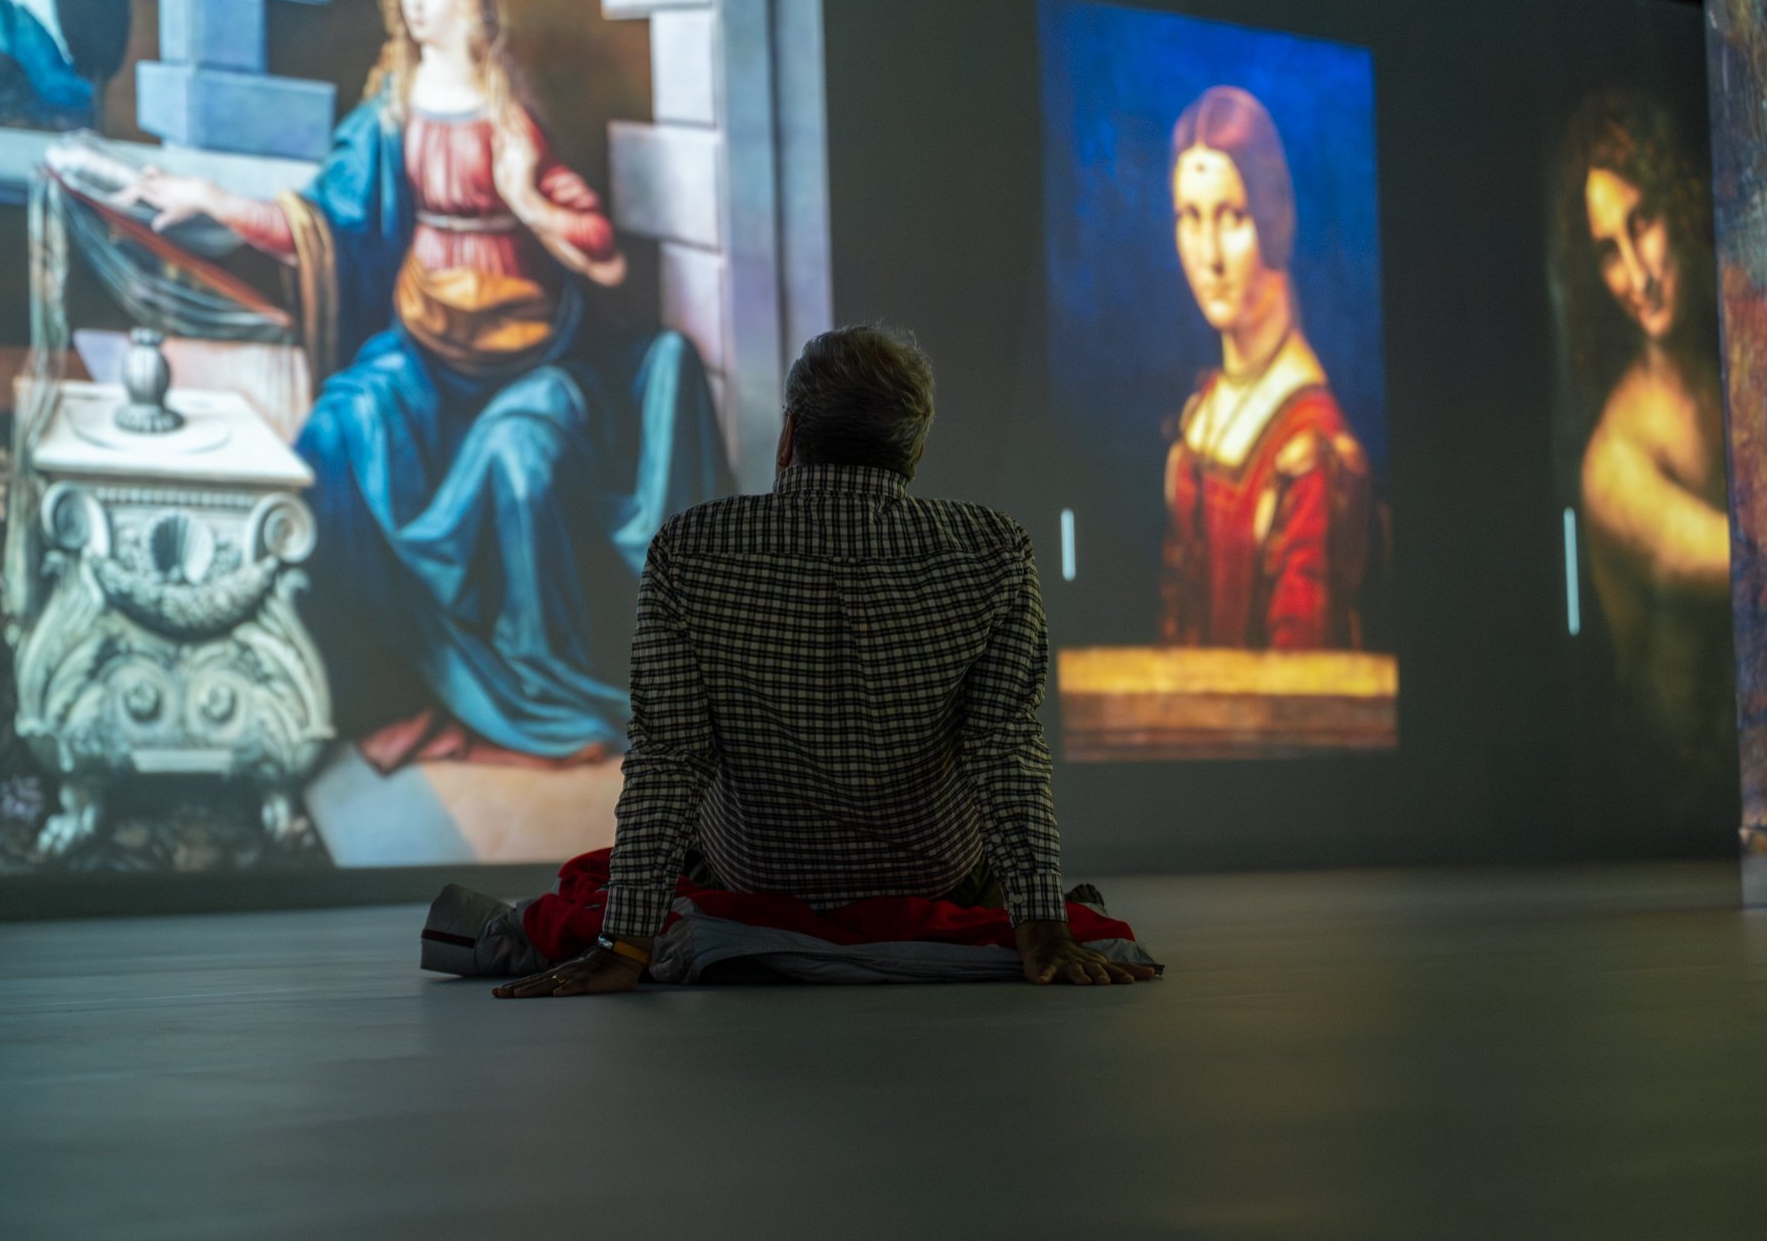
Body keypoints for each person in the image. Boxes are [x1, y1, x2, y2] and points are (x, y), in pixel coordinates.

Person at [119, 0, 727, 769]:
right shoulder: (391, 112)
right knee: (336, 432)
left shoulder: (509, 117)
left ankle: (534, 691)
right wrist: (207, 198)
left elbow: (603, 255)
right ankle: (387, 689)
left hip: (529, 364)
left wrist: (525, 200)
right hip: (423, 353)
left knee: (526, 464)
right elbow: (317, 220)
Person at [490, 327, 1158, 994]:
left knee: (670, 833)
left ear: (788, 436)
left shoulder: (689, 550)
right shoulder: (994, 551)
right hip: (934, 877)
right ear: (914, 447)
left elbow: (671, 758)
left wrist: (622, 941)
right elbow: (1004, 753)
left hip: (756, 878)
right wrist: (1041, 924)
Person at [1555, 96, 1733, 789]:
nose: (1637, 274)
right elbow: (1766, 571)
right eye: (1608, 252)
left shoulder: (1735, 356)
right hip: (1694, 801)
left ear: (1678, 204)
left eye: (1644, 222)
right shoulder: (1614, 466)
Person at [1160, 86, 1371, 650]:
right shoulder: (1203, 413)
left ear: (1273, 217)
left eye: (1232, 216)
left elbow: (1298, 682)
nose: (1209, 256)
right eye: (1189, 217)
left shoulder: (1311, 444)